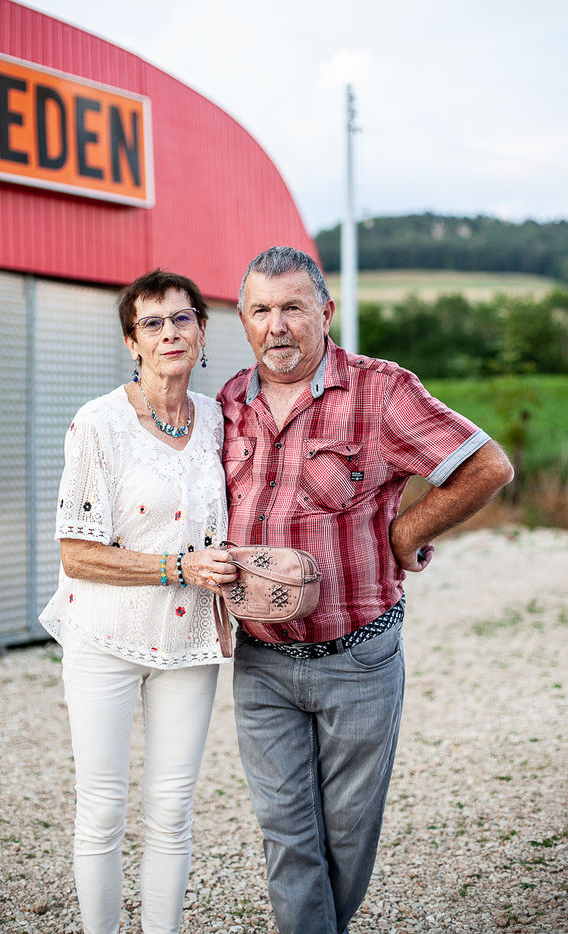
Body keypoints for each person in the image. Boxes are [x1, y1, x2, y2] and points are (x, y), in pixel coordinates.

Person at [217, 246, 514, 934]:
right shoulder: (228, 403)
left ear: (325, 313)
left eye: (293, 308)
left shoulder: (379, 392)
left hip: (357, 656)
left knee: (347, 834)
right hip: (260, 661)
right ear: (243, 318)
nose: (276, 326)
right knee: (286, 834)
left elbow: (487, 467)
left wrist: (408, 530)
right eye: (261, 310)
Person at [39, 268, 237, 934]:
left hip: (189, 644)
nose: (169, 333)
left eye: (182, 318)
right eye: (151, 323)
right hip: (104, 637)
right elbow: (77, 554)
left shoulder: (218, 420)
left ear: (202, 330)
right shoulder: (98, 424)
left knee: (172, 811)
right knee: (102, 811)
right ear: (132, 342)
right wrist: (179, 566)